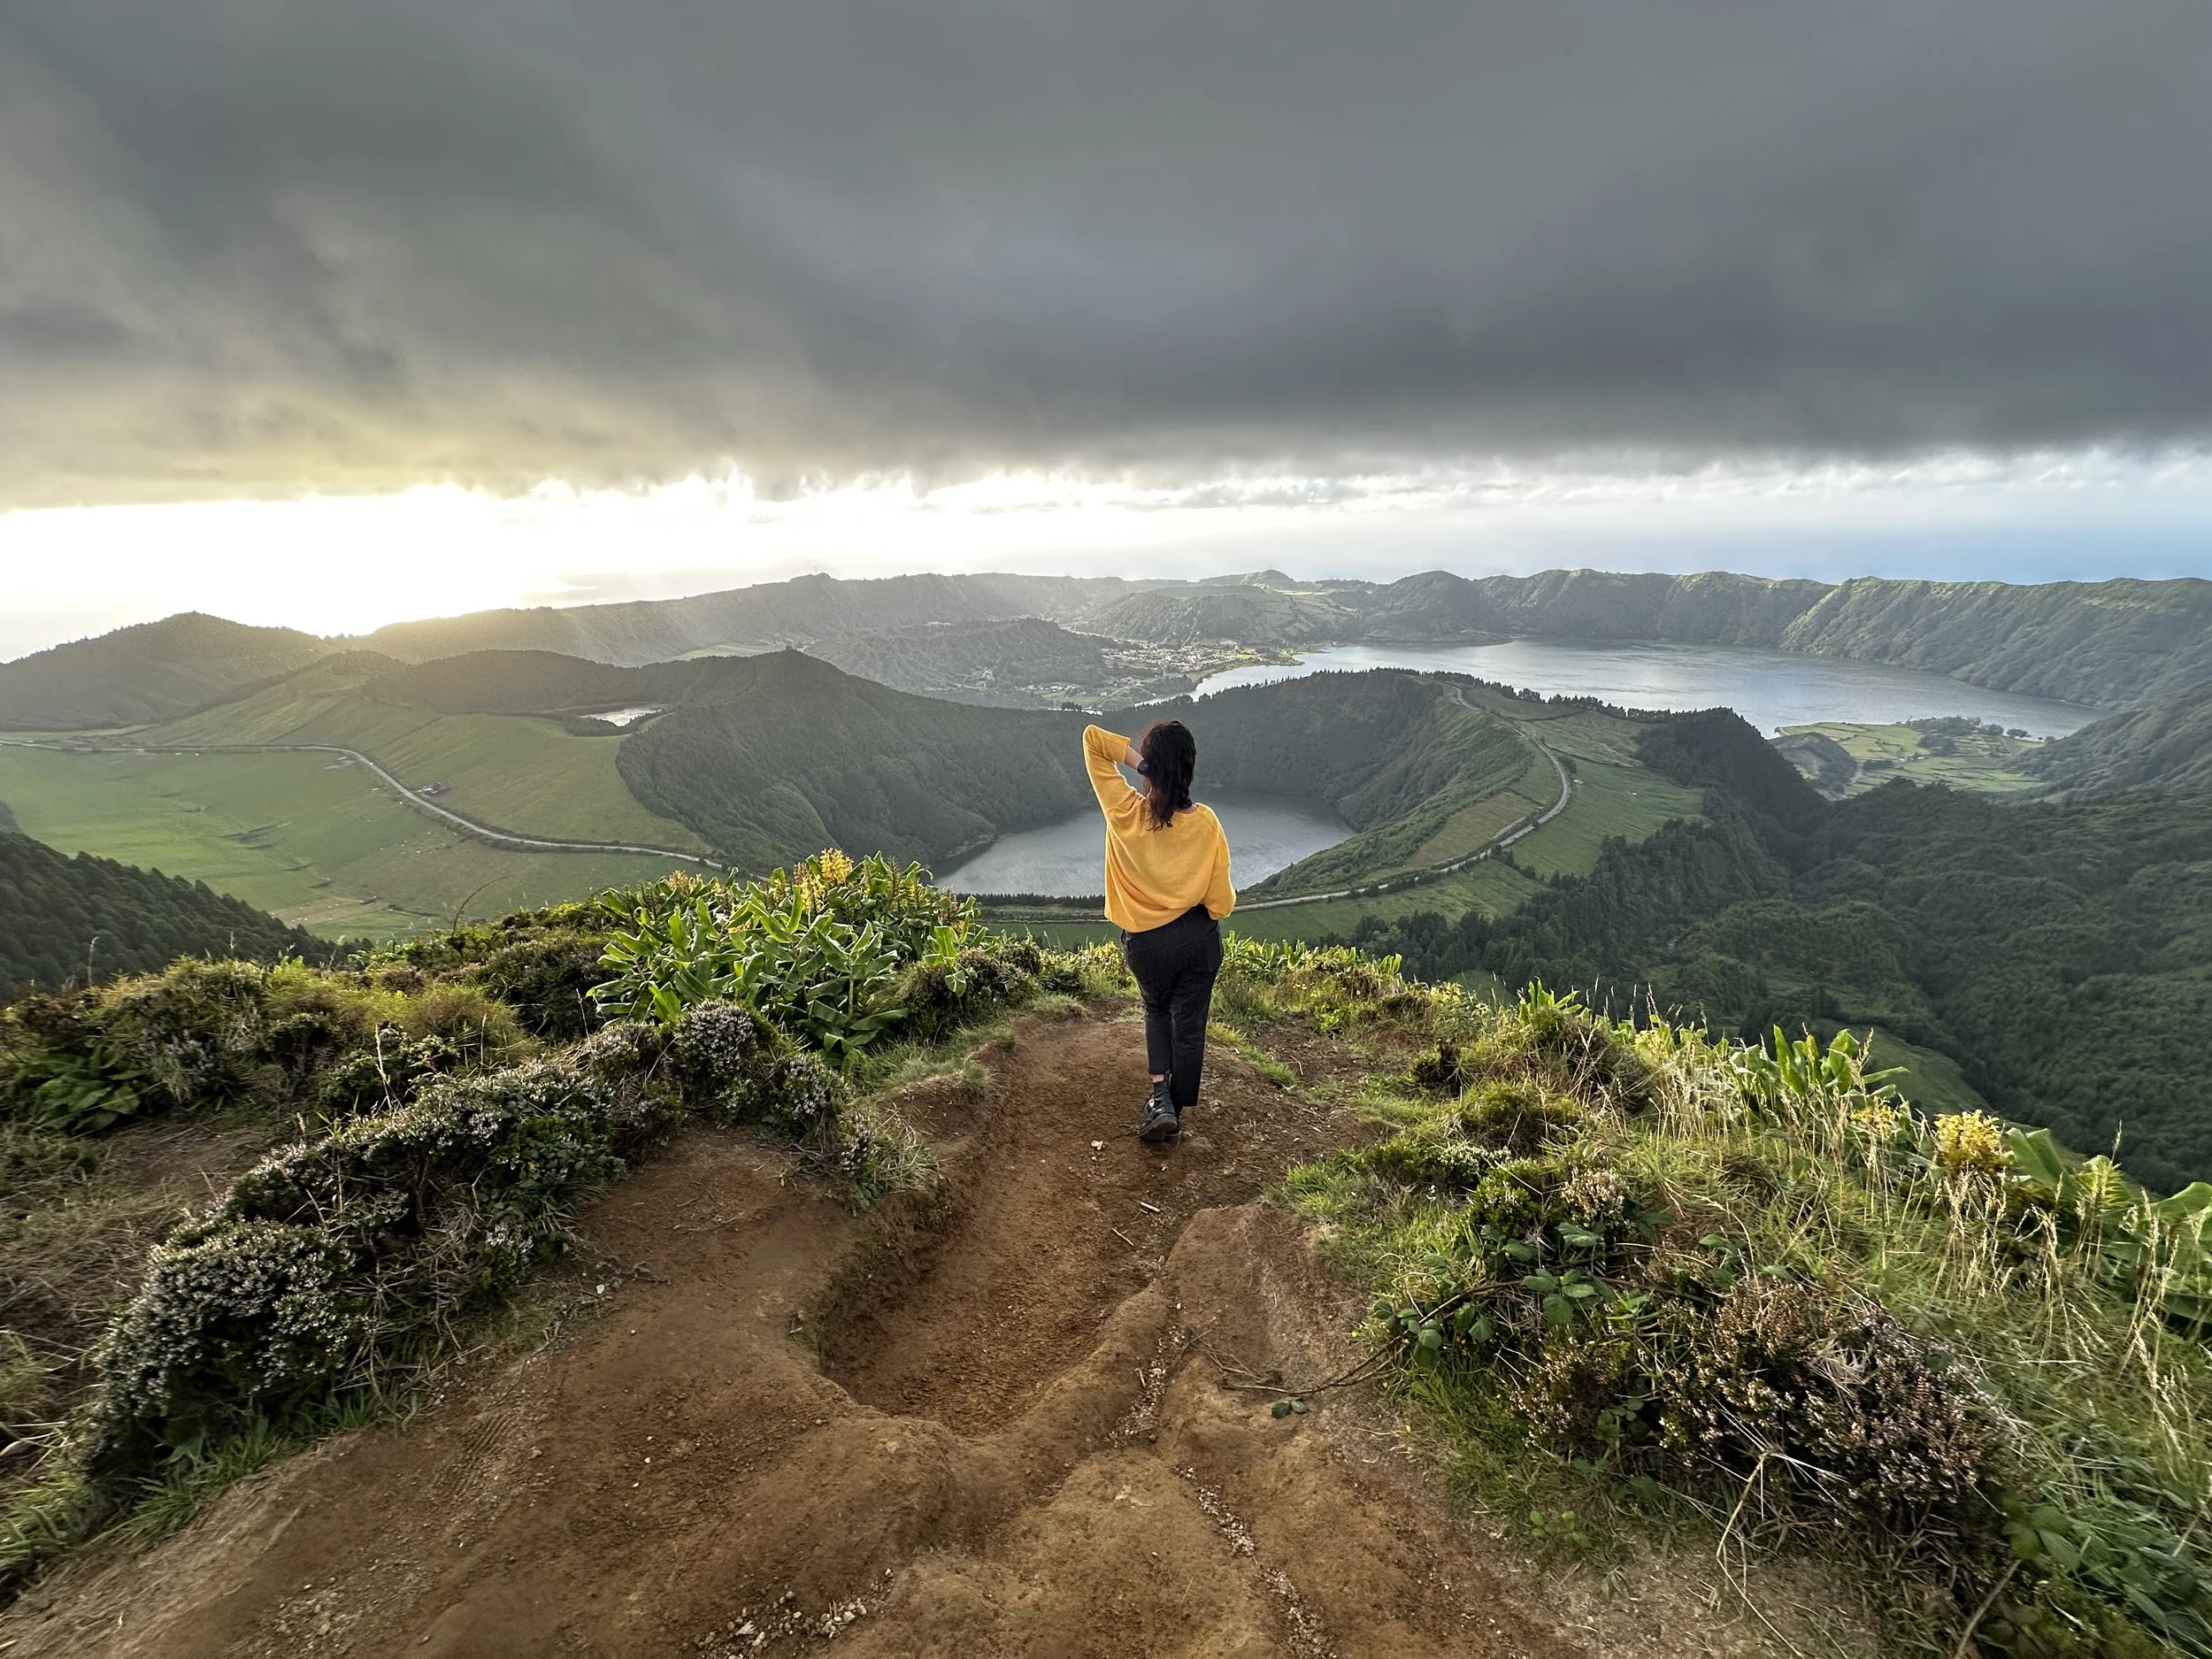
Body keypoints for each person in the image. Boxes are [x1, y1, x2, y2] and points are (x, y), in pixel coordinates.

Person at [1082, 719, 1235, 1143]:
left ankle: (1159, 1098)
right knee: (1189, 1023)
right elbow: (1221, 899)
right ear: (1189, 769)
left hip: (1147, 943)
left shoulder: (1125, 813)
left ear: (1151, 769)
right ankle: (1177, 1109)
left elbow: (1093, 741)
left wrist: (1140, 763)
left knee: (1156, 1009)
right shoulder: (1206, 823)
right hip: (1197, 939)